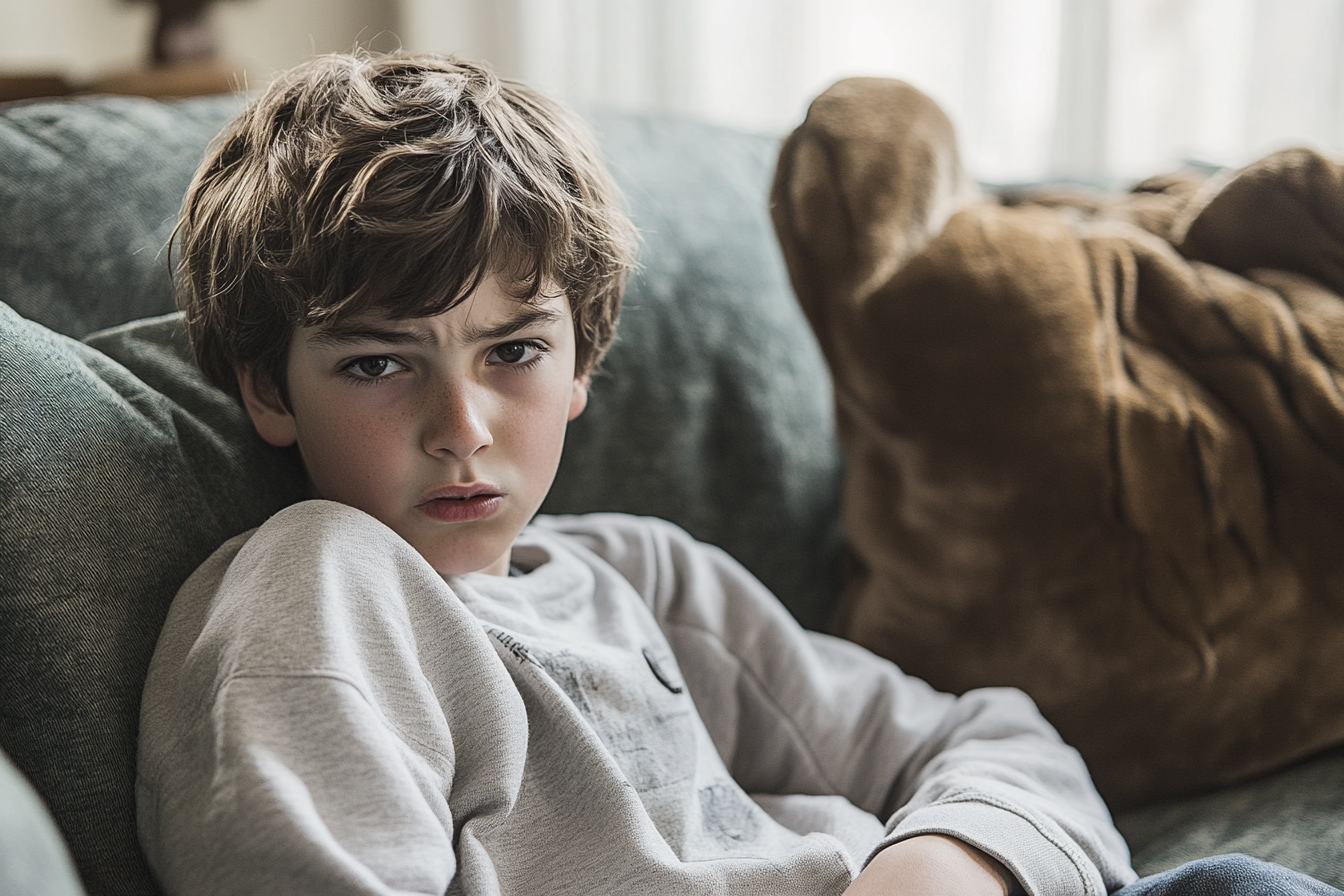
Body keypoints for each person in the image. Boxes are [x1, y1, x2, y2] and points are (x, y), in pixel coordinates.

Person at [135, 51, 1341, 896]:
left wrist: (949, 859)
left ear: (583, 363)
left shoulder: (645, 576)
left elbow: (1002, 740)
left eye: (514, 350)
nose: (463, 424)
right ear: (268, 387)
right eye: (378, 363)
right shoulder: (316, 590)